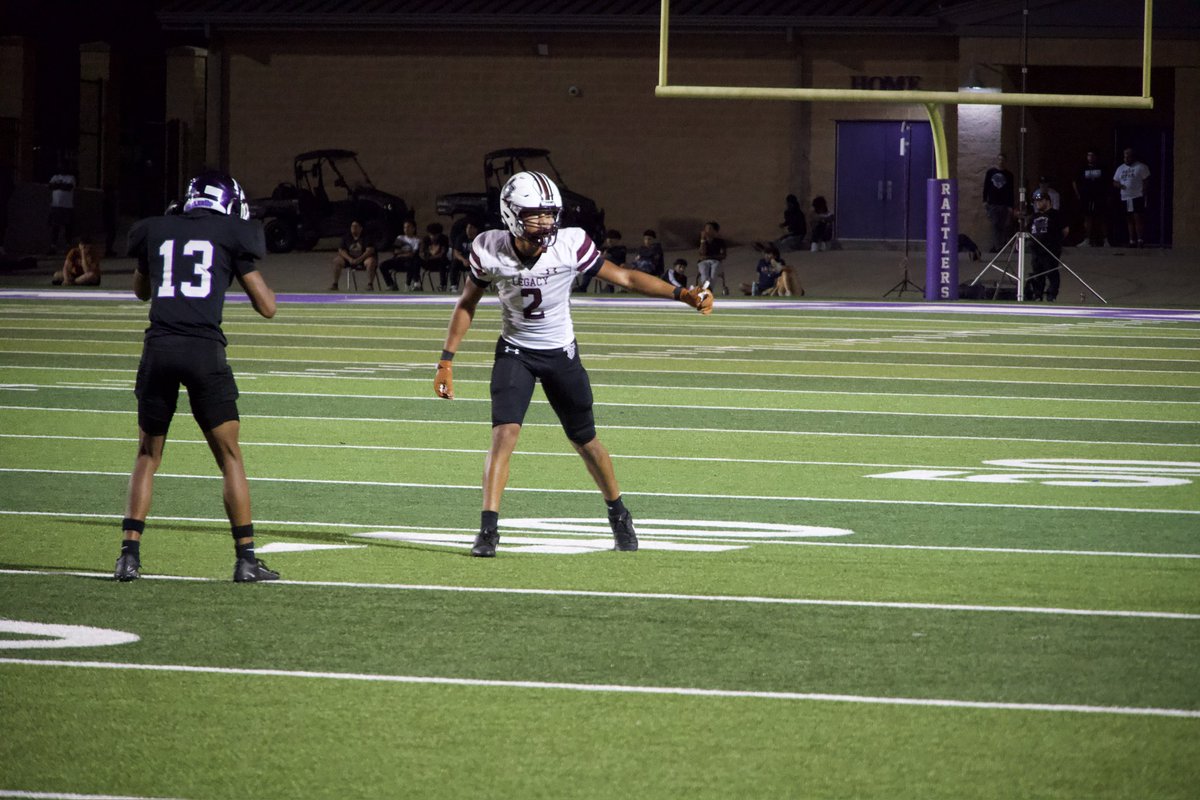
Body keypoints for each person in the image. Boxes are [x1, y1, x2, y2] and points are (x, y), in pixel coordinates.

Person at [433, 170, 714, 558]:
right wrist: (446, 361)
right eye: (536, 215)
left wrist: (681, 293)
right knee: (503, 437)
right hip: (516, 352)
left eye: (550, 214)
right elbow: (467, 302)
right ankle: (487, 531)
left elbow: (626, 277)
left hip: (561, 354)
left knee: (586, 442)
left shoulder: (569, 244)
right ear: (512, 214)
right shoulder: (488, 249)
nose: (547, 222)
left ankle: (619, 513)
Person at [114, 170, 279, 583]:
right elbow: (268, 306)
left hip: (159, 348)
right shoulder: (229, 234)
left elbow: (141, 292)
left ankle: (128, 556)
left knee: (147, 456)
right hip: (204, 350)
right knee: (230, 458)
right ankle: (245, 559)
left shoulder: (156, 230)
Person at [1025, 188, 1069, 302]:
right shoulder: (1034, 217)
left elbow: (1065, 230)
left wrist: (1056, 241)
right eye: (1036, 201)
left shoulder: (1056, 214)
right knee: (1037, 273)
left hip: (1050, 248)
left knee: (1051, 271)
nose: (1038, 203)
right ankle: (1038, 295)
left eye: (1040, 201)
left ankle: (1052, 295)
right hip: (1036, 249)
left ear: (1047, 201)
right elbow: (1028, 231)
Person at [1113, 147, 1151, 248]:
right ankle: (1131, 240)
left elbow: (1146, 179)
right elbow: (1115, 181)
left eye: (1128, 156)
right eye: (1125, 156)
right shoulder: (1120, 168)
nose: (1126, 158)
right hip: (1125, 197)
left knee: (1138, 218)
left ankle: (1140, 239)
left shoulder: (1141, 167)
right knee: (1129, 219)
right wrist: (1119, 185)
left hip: (1137, 196)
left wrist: (1144, 190)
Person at [1073, 150, 1108, 247]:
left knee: (1101, 218)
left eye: (1092, 155)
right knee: (1087, 218)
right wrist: (1078, 194)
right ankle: (1087, 240)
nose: (1090, 157)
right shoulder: (1082, 168)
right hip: (1086, 197)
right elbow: (1075, 181)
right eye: (1088, 155)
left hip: (1099, 197)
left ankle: (1105, 240)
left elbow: (1107, 182)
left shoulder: (1102, 168)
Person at [330, 220, 377, 290]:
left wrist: (359, 259)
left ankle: (370, 284)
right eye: (352, 226)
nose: (353, 228)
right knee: (337, 261)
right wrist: (349, 259)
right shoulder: (346, 237)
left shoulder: (366, 237)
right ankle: (335, 284)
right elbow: (341, 250)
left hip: (363, 259)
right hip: (350, 259)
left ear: (361, 228)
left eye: (356, 226)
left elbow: (369, 250)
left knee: (371, 261)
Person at [982, 153, 1016, 252]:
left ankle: (1000, 245)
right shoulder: (991, 172)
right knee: (995, 224)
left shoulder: (1009, 175)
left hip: (1004, 203)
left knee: (1004, 225)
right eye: (999, 160)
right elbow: (986, 186)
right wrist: (984, 200)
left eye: (1003, 160)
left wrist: (1011, 205)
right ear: (997, 161)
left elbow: (1011, 190)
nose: (1001, 162)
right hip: (993, 202)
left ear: (1005, 162)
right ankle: (998, 245)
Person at [379, 219, 421, 290]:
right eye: (404, 227)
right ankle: (391, 285)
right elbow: (395, 251)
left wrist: (401, 253)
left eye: (408, 227)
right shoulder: (400, 238)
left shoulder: (416, 240)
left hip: (408, 262)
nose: (406, 229)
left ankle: (412, 284)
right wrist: (405, 252)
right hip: (398, 261)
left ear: (413, 228)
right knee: (382, 265)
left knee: (414, 263)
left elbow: (412, 254)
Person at [48, 167, 76, 254]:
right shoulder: (55, 177)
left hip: (67, 206)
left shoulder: (71, 178)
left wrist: (58, 185)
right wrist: (61, 186)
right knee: (55, 227)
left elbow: (68, 187)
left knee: (68, 226)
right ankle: (53, 246)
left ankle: (68, 246)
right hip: (56, 205)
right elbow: (50, 186)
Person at [449, 219, 481, 293]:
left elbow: (482, 253)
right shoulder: (461, 238)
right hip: (464, 262)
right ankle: (453, 286)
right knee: (454, 263)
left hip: (476, 262)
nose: (468, 230)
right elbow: (456, 252)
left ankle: (479, 286)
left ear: (475, 229)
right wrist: (463, 260)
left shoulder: (479, 239)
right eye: (467, 228)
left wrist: (473, 260)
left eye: (471, 228)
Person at [697, 221, 728, 295]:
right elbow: (702, 253)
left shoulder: (720, 242)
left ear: (715, 231)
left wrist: (709, 257)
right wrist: (703, 240)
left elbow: (723, 255)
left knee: (714, 272)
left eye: (710, 228)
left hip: (716, 261)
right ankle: (708, 290)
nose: (706, 230)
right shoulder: (702, 241)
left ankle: (707, 290)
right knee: (704, 272)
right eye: (706, 228)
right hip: (703, 262)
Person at [420, 221, 452, 291]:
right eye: (431, 234)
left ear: (439, 234)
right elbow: (424, 254)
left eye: (435, 235)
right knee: (417, 260)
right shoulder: (426, 239)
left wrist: (432, 257)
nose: (433, 237)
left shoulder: (444, 239)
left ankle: (442, 285)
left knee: (443, 262)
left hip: (441, 262)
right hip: (429, 263)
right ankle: (416, 284)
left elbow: (443, 253)